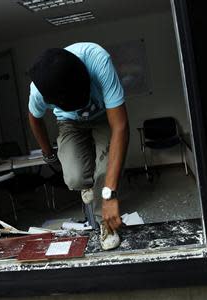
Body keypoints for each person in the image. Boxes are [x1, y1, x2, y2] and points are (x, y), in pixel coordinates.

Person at [28, 42, 129, 250]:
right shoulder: (38, 91)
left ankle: (106, 223)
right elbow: (34, 119)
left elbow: (120, 126)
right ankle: (89, 185)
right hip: (69, 122)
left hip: (102, 115)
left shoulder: (98, 61)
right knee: (75, 178)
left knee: (105, 174)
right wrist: (48, 153)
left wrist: (110, 195)